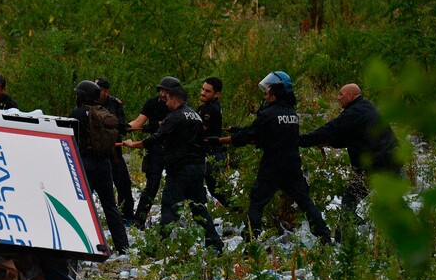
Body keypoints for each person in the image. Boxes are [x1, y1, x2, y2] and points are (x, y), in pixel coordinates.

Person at [218, 71, 331, 245]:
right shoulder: (291, 114)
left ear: (274, 94)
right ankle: (324, 237)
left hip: (272, 167)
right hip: (292, 166)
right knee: (305, 202)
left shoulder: (267, 114)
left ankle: (251, 243)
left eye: (266, 92)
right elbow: (268, 134)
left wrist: (220, 140)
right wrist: (237, 130)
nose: (264, 95)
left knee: (256, 204)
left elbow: (249, 135)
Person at [123, 87, 224, 253]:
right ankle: (215, 244)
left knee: (170, 207)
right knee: (198, 206)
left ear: (175, 100)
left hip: (179, 169)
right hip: (198, 167)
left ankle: (158, 247)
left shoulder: (174, 117)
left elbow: (157, 138)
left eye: (168, 99)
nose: (166, 102)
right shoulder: (196, 116)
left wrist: (133, 144)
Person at [299, 83, 401, 235]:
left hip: (378, 162)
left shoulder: (355, 112)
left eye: (341, 95)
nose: (338, 98)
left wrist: (301, 140)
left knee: (350, 199)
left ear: (351, 96)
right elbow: (350, 138)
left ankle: (343, 238)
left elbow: (331, 128)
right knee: (392, 200)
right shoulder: (364, 108)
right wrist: (327, 142)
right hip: (387, 159)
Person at [69, 80, 129, 255]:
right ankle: (123, 246)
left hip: (85, 163)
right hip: (104, 163)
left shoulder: (77, 114)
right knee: (110, 206)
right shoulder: (104, 112)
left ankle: (80, 246)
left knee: (81, 205)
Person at [127, 76, 181, 229]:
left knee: (175, 186)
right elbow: (138, 123)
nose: (163, 94)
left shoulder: (179, 107)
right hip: (155, 148)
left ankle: (171, 222)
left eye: (167, 91)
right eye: (162, 90)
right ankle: (139, 220)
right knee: (151, 186)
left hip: (173, 150)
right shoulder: (152, 103)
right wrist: (121, 127)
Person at [94, 77, 135, 221]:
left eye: (99, 90)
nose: (96, 93)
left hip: (113, 150)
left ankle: (127, 215)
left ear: (106, 92)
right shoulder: (90, 100)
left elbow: (120, 125)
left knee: (123, 182)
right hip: (96, 150)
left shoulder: (114, 104)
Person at [197, 76, 228, 207]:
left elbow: (200, 129)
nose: (203, 93)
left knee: (216, 189)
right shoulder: (207, 106)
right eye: (203, 89)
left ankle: (240, 211)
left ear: (217, 94)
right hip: (209, 152)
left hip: (210, 154)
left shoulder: (210, 108)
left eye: (208, 91)